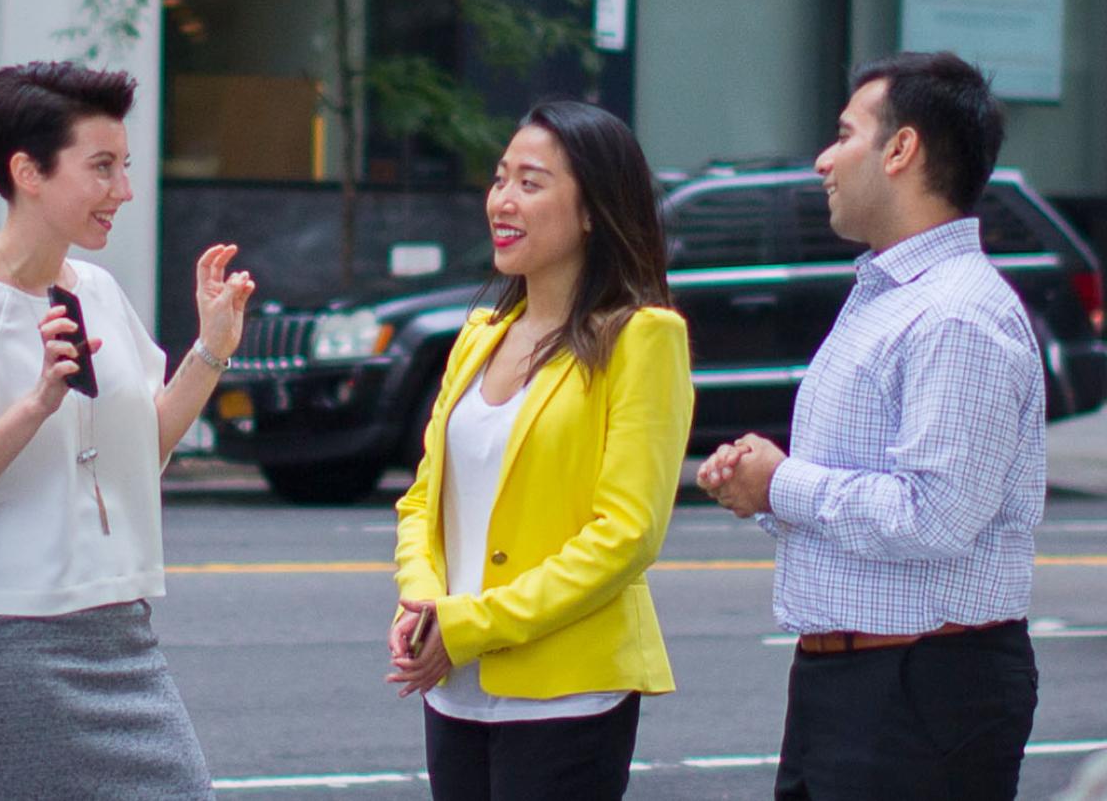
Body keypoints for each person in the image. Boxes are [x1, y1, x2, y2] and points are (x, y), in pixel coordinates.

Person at [0, 60, 253, 800]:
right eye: (102, 168)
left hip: (124, 640)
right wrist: (35, 405)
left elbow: (137, 452)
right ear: (27, 170)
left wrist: (211, 349)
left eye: (123, 167)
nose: (122, 189)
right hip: (12, 655)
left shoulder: (101, 293)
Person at [697, 51, 1042, 800]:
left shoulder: (955, 313)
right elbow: (866, 487)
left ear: (901, 149)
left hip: (921, 688)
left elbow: (935, 514)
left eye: (844, 133)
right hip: (855, 680)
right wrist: (765, 490)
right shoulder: (887, 292)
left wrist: (783, 482)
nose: (824, 158)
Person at [386, 100, 694, 800]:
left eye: (532, 182)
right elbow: (423, 497)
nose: (504, 199)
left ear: (592, 210)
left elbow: (626, 535)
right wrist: (424, 600)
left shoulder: (642, 338)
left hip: (568, 695)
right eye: (500, 179)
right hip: (454, 690)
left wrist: (470, 624)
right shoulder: (480, 333)